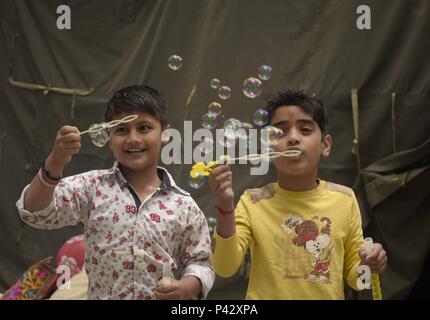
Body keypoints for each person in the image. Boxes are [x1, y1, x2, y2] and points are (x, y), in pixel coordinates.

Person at [16, 85, 214, 300]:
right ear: (108, 138)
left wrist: (186, 287)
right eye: (121, 130)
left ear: (165, 134)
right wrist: (55, 162)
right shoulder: (92, 187)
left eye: (144, 128)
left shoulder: (184, 205)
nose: (133, 139)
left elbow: (201, 263)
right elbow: (34, 212)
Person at [209, 89, 387, 299]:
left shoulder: (344, 199)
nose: (293, 138)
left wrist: (368, 266)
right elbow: (224, 267)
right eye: (280, 132)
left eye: (304, 129)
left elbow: (358, 280)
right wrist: (225, 203)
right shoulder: (253, 201)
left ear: (325, 145)